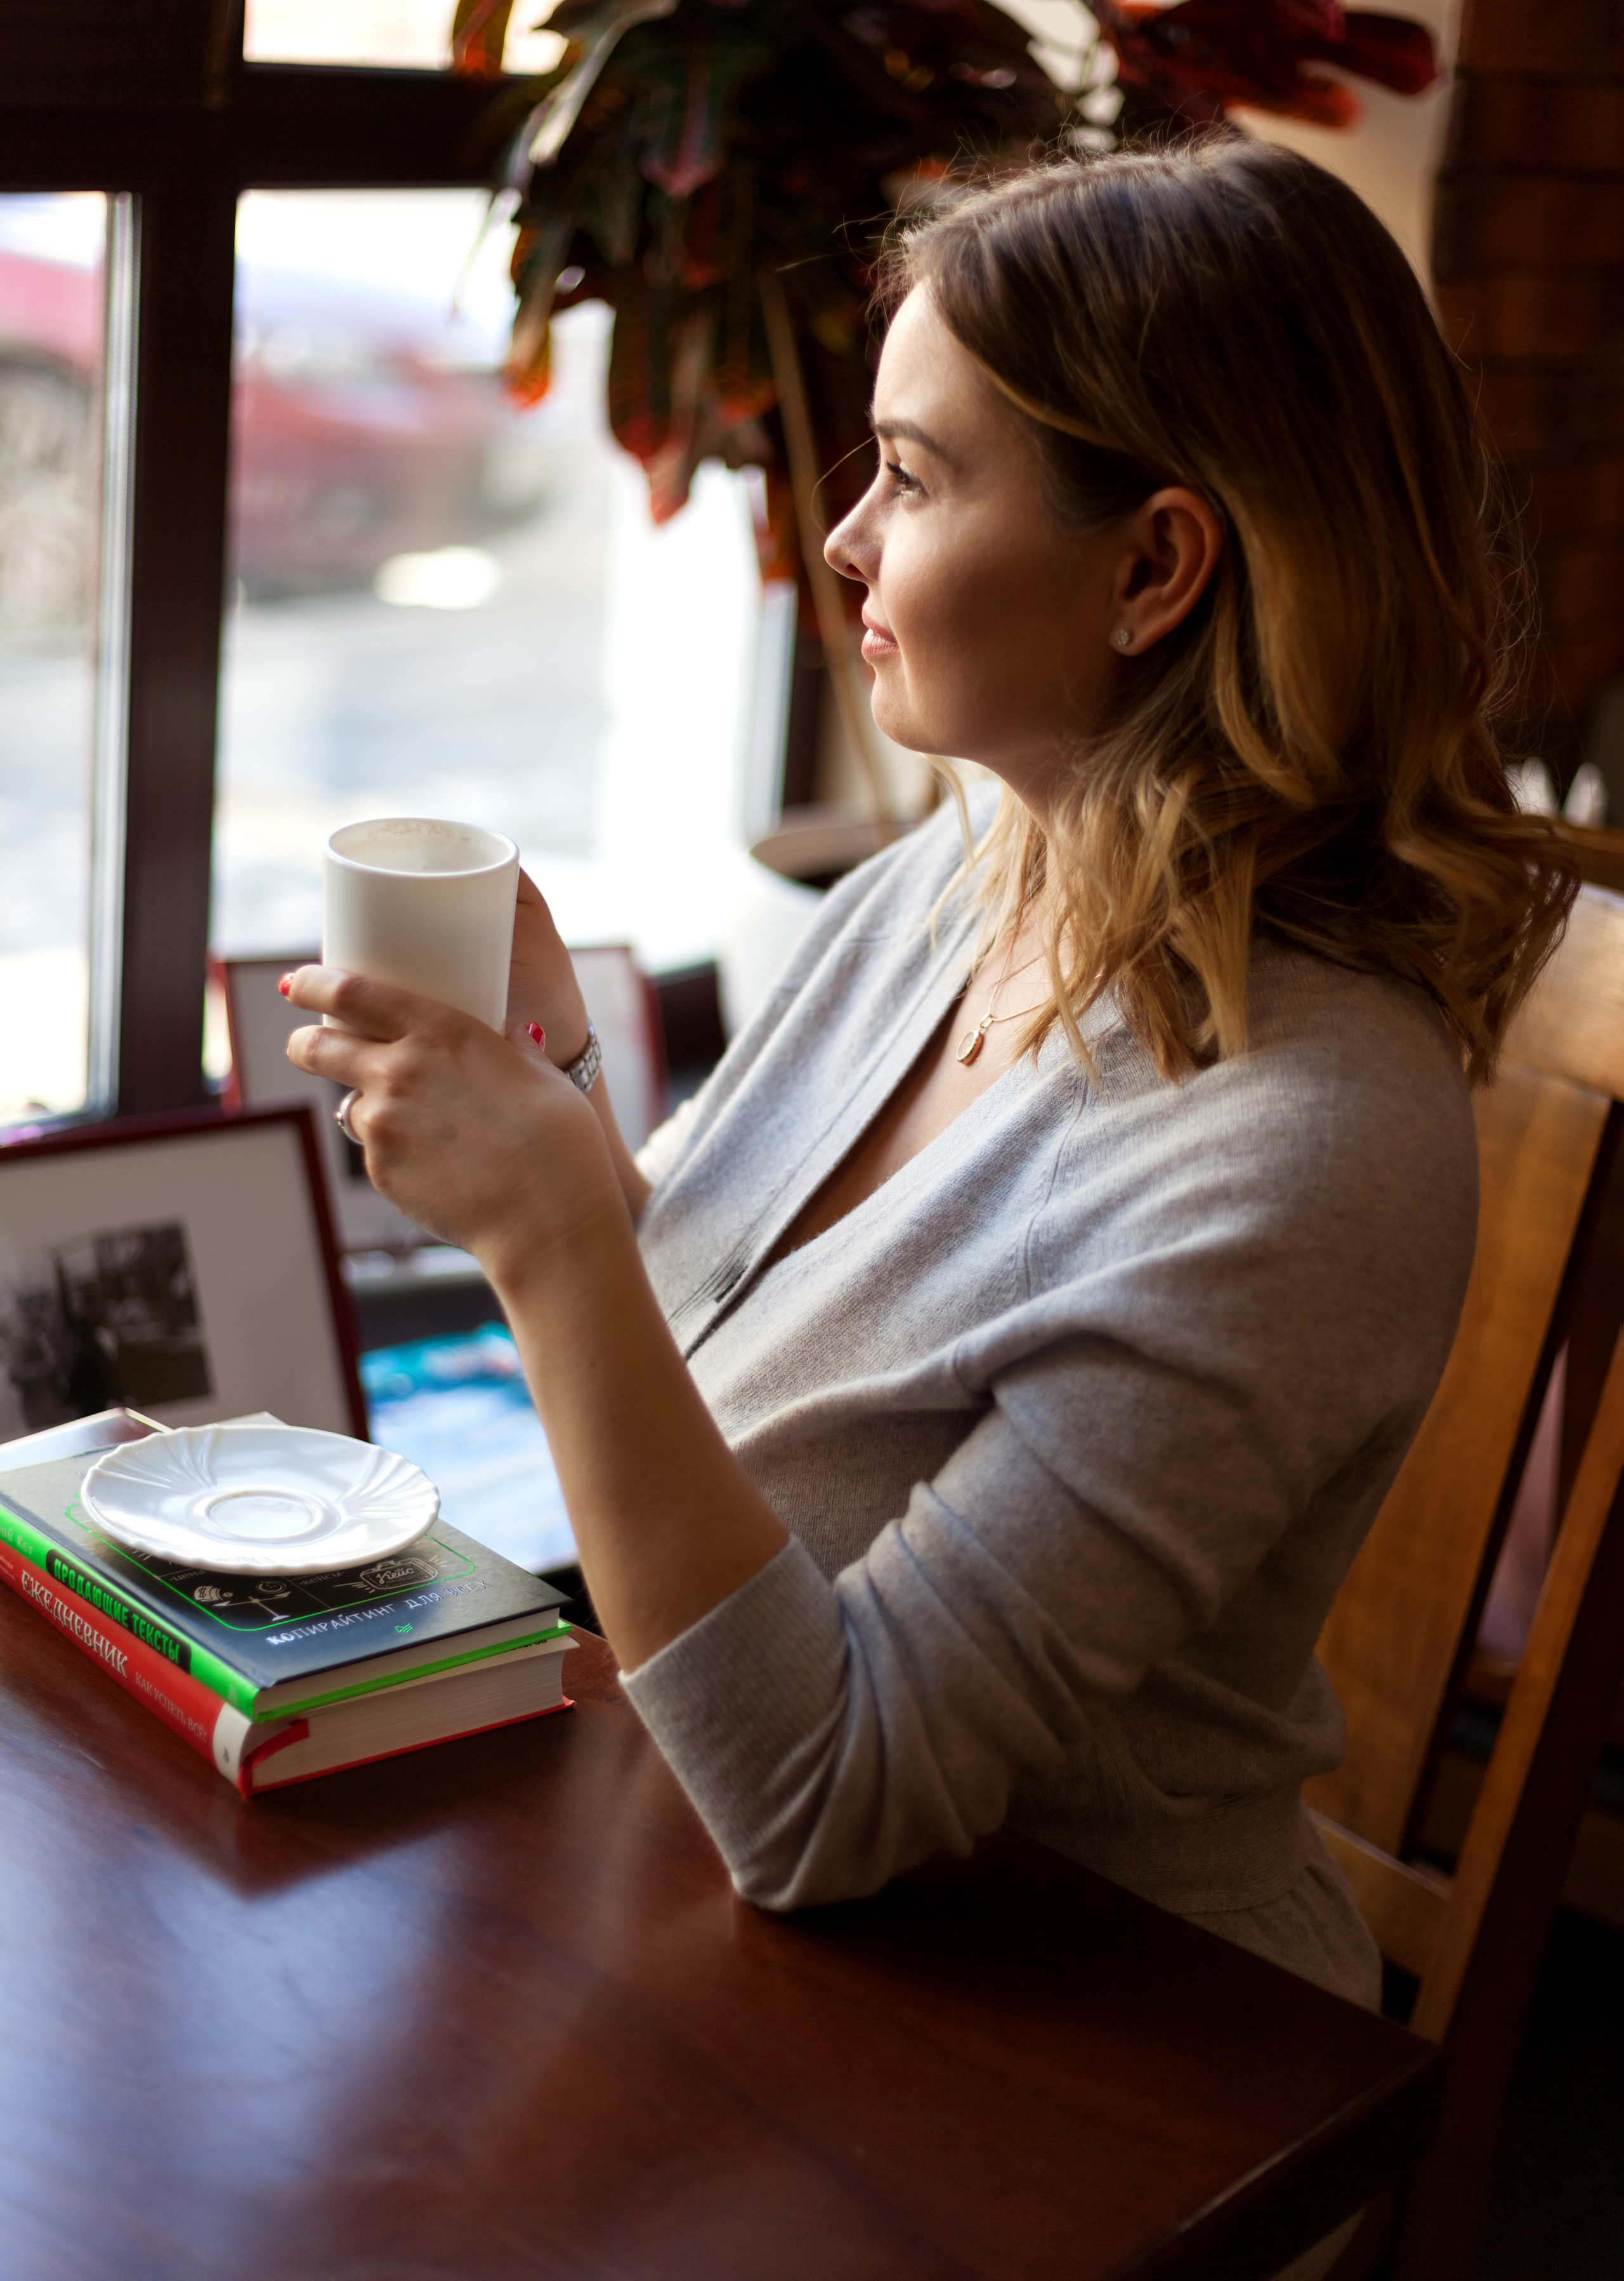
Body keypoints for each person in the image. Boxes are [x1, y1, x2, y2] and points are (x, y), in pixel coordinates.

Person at [285, 140, 1573, 2011]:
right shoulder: (977, 867)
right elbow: (770, 1382)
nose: (844, 538)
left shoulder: (1308, 1150)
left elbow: (831, 1801)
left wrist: (553, 1234)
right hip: (713, 1902)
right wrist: (552, 1096)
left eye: (915, 474)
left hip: (1073, 2038)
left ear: (1155, 566)